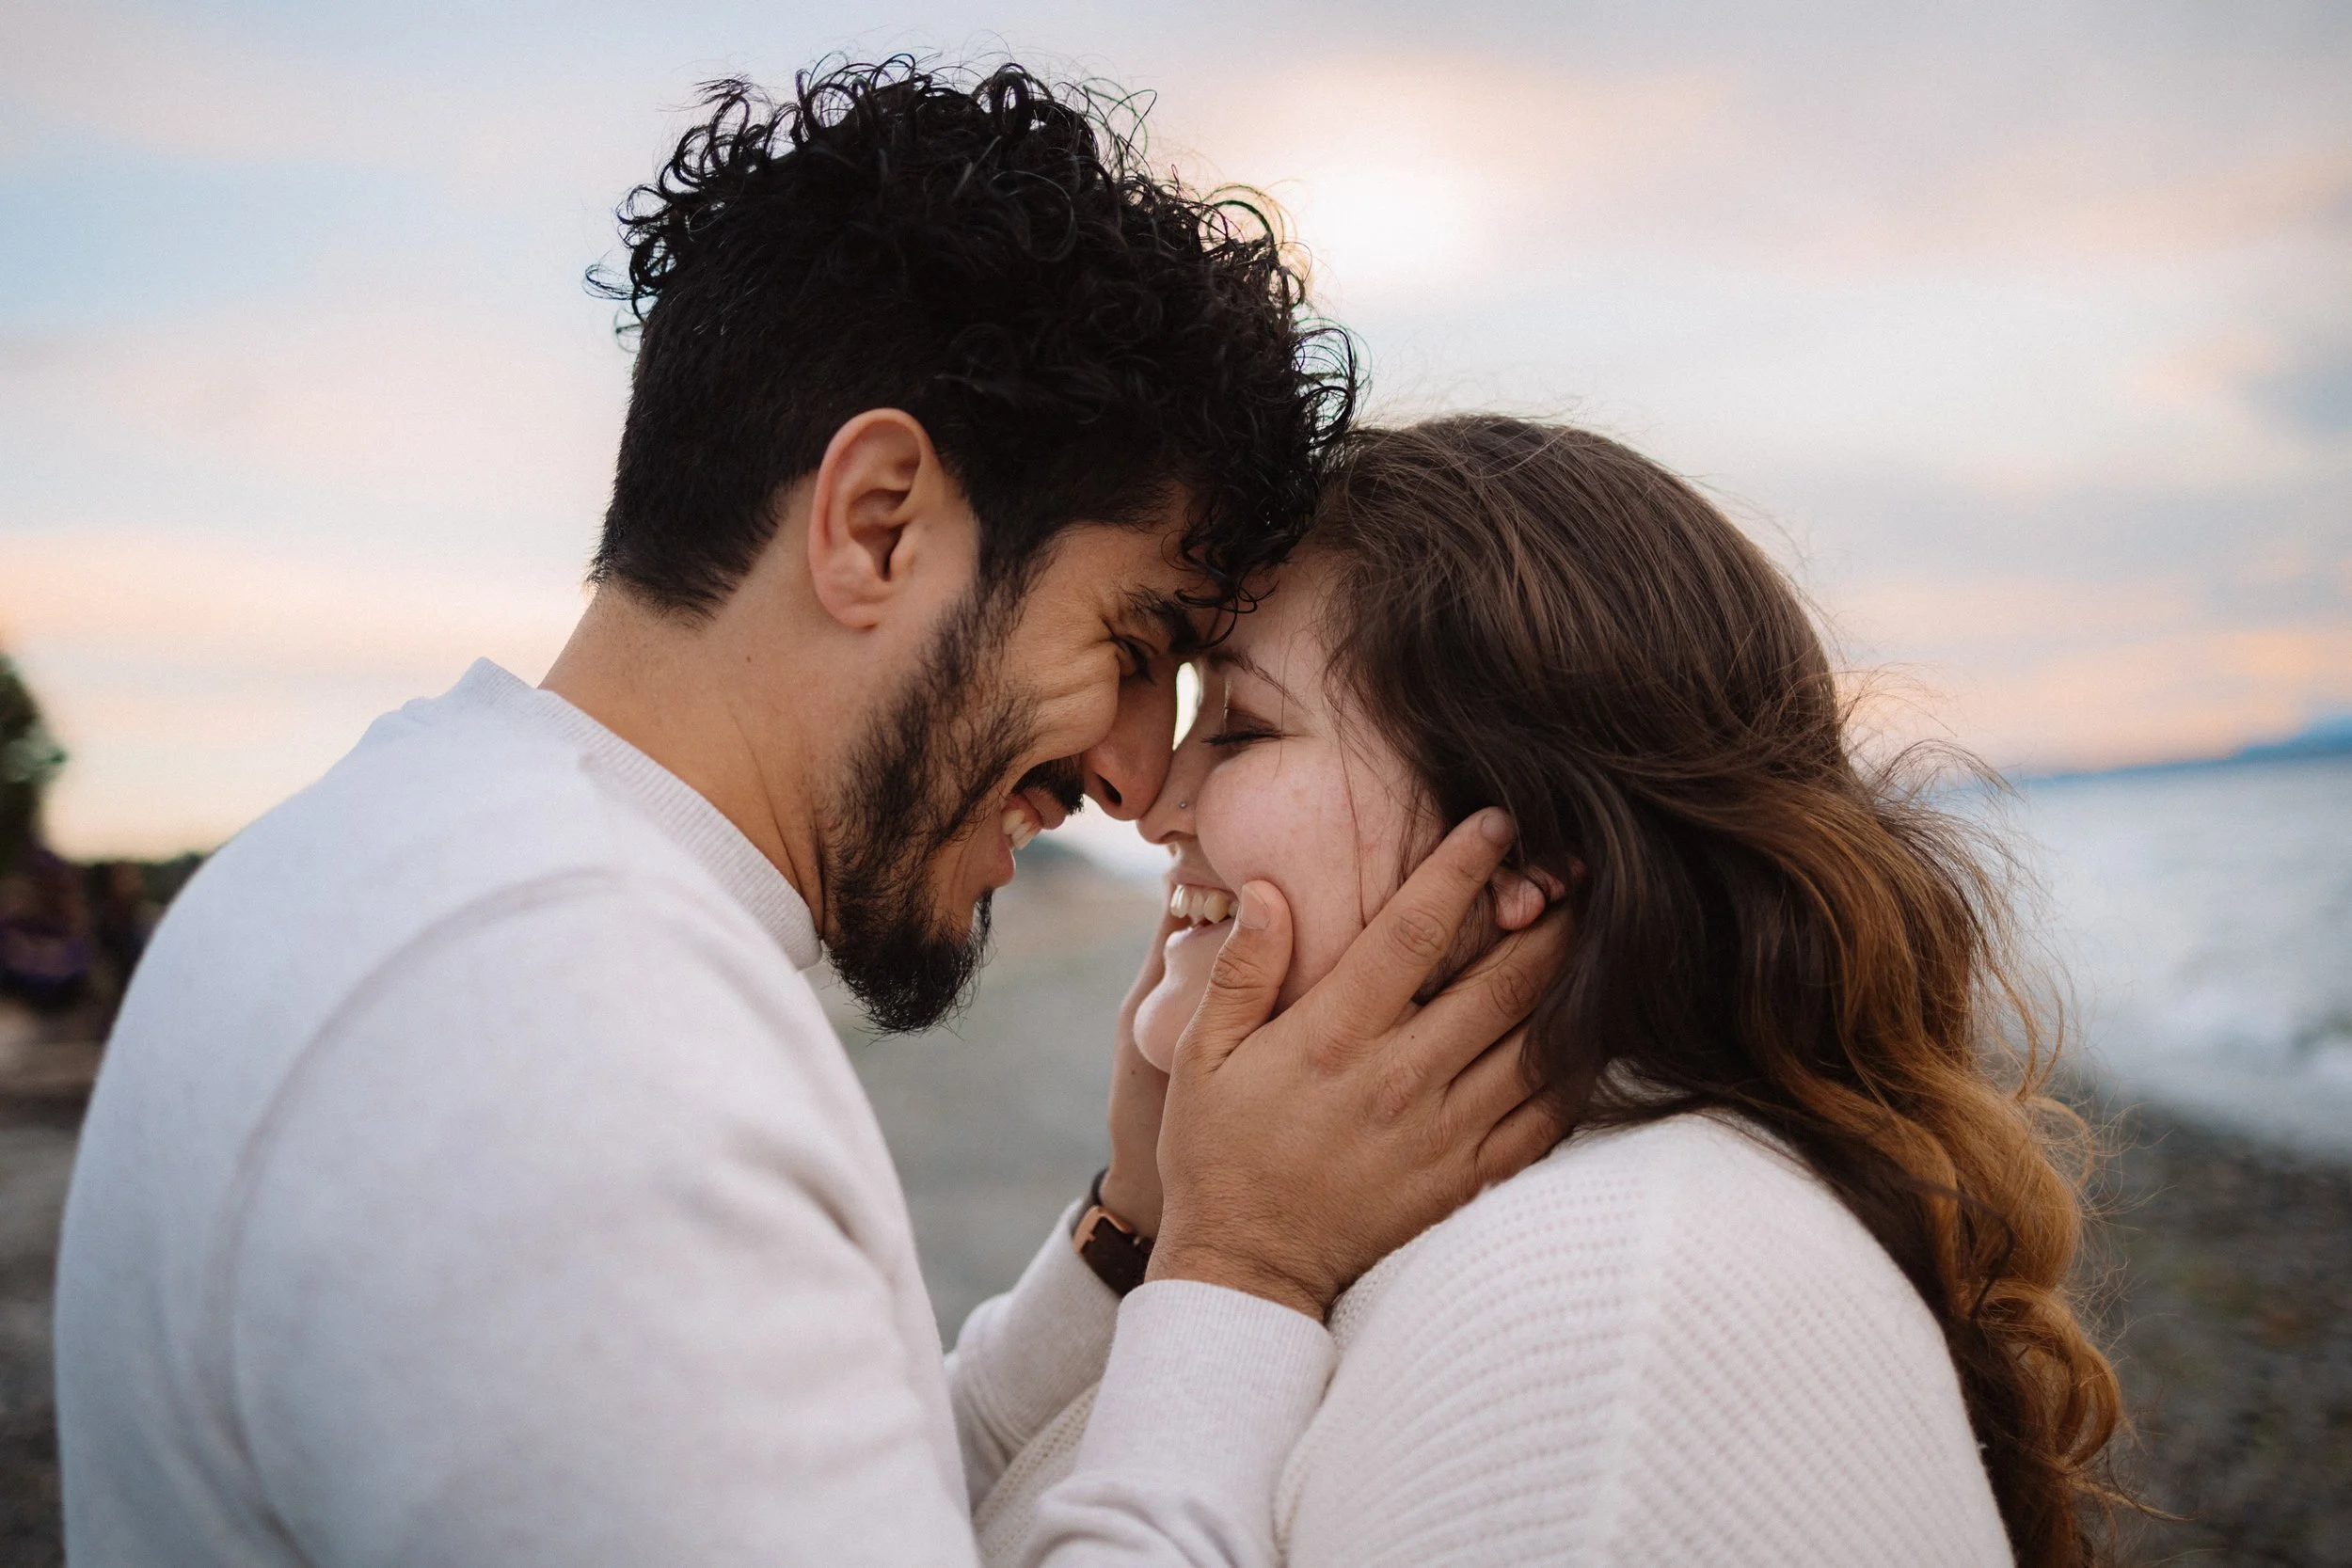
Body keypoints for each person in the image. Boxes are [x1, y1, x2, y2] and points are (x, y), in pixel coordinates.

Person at [54, 67, 1568, 1565]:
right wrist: (1252, 1267)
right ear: (875, 523)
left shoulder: (424, 863)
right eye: (1132, 644)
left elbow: (849, 1491)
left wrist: (1137, 1226)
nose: (1133, 774)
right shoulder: (569, 1044)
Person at [977, 417, 2125, 1568]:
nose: (1149, 801)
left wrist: (1233, 1266)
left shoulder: (1614, 1319)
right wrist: (1149, 1220)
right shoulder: (1432, 1229)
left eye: (1239, 729)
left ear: (1529, 853)